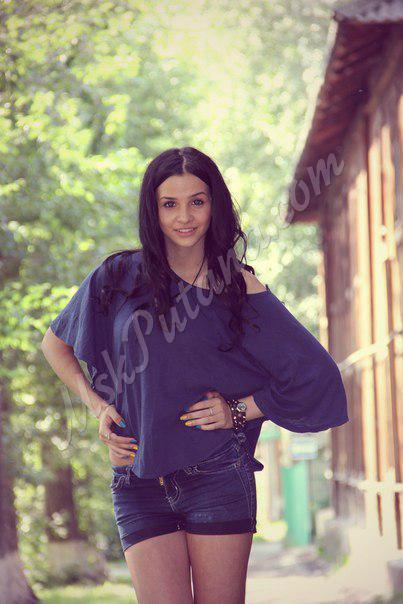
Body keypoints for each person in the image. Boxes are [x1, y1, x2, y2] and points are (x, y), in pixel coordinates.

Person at [41, 146, 349, 603]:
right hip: (137, 477)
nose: (184, 217)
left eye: (197, 202)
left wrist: (239, 410)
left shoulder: (238, 286)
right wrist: (99, 406)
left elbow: (316, 374)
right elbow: (55, 345)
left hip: (217, 475)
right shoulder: (118, 276)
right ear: (153, 210)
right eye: (170, 204)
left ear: (214, 205)